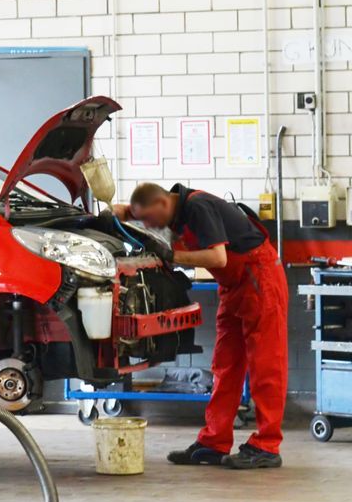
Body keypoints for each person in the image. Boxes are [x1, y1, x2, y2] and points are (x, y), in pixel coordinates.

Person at [118, 182, 285, 470]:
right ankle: (213, 441)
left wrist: (171, 256)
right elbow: (135, 211)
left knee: (266, 364)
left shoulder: (197, 206)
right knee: (225, 364)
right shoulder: (174, 210)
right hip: (234, 285)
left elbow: (218, 257)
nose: (151, 226)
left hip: (259, 279)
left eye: (149, 219)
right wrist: (122, 213)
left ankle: (267, 446)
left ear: (162, 204)